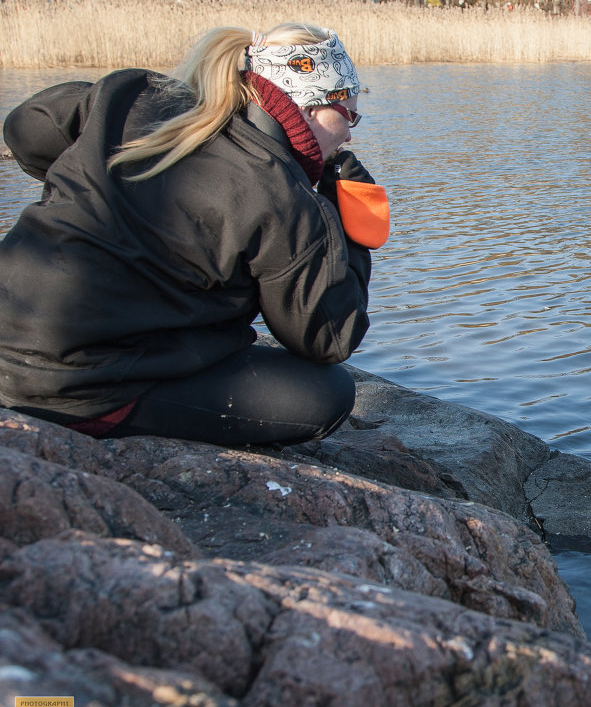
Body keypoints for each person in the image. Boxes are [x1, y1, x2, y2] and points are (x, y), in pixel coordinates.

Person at [0, 22, 388, 446]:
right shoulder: (283, 195)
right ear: (310, 108)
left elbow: (25, 127)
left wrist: (95, 184)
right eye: (348, 114)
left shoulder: (133, 94)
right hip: (70, 389)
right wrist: (346, 226)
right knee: (326, 393)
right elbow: (330, 338)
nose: (351, 133)